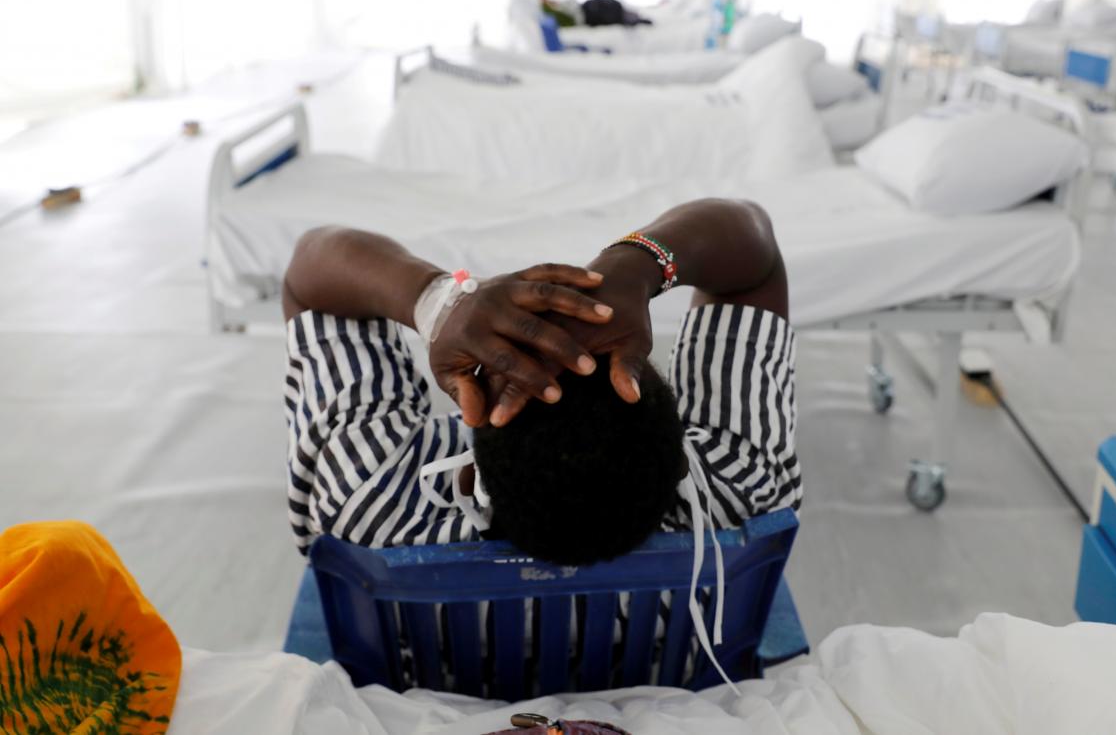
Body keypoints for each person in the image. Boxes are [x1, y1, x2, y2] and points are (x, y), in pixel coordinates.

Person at [280, 198, 799, 567]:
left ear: (473, 467)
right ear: (681, 461)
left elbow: (308, 273)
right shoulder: (739, 489)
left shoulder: (370, 496)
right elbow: (755, 259)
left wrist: (437, 301)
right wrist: (636, 265)